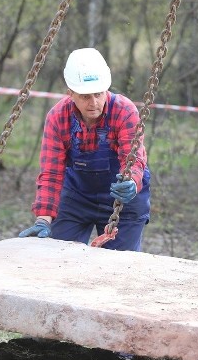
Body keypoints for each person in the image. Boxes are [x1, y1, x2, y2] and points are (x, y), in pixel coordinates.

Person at [19, 47, 151, 251]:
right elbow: (51, 173)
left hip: (122, 198)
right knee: (56, 255)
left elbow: (133, 158)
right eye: (85, 96)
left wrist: (131, 182)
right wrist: (43, 220)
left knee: (119, 265)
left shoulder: (124, 111)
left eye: (98, 94)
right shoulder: (58, 117)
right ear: (70, 93)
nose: (93, 103)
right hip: (77, 196)